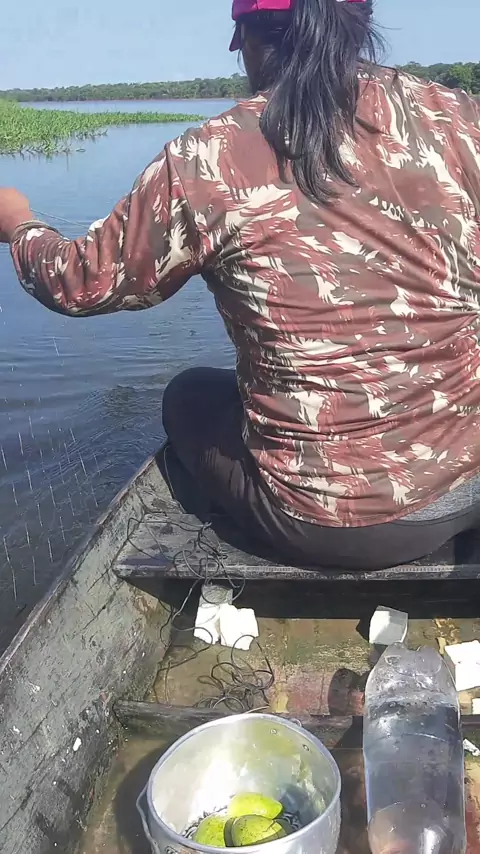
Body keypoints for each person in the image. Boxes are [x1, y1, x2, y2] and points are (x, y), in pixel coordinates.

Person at [2, 0, 480, 571]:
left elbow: (80, 283)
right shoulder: (458, 116)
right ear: (358, 27)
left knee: (189, 394)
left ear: (250, 40)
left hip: (345, 527)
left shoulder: (209, 157)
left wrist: (19, 225)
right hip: (471, 482)